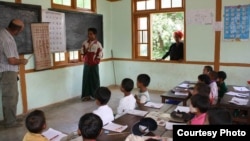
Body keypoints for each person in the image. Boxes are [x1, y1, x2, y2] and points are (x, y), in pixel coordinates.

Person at [0, 19, 28, 128]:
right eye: (21, 30)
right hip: (7, 71)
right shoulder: (7, 40)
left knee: (10, 96)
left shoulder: (2, 32)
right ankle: (10, 122)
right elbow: (11, 60)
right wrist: (22, 61)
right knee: (10, 97)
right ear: (16, 30)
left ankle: (11, 118)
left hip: (4, 70)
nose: (20, 32)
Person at [81, 27, 103, 101]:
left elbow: (100, 55)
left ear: (95, 35)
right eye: (88, 34)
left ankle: (96, 95)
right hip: (87, 65)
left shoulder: (98, 44)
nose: (89, 35)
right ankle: (86, 95)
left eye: (91, 34)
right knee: (86, 79)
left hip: (94, 65)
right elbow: (82, 53)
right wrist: (85, 59)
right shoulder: (85, 43)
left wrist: (95, 62)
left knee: (95, 80)